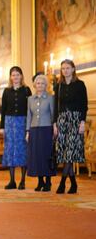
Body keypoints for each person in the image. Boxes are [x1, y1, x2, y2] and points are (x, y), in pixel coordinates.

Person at [54, 59, 88, 194]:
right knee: (64, 152)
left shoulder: (80, 85)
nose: (65, 70)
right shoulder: (58, 86)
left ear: (73, 69)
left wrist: (82, 122)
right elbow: (56, 107)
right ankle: (73, 183)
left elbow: (84, 105)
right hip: (62, 120)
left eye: (68, 68)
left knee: (70, 152)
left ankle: (62, 182)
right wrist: (55, 124)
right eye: (63, 68)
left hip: (75, 120)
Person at [0, 66, 32, 190]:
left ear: (21, 76)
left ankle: (22, 181)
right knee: (10, 150)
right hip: (9, 122)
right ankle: (12, 180)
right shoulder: (6, 91)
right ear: (10, 77)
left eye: (17, 74)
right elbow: (3, 110)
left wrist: (29, 127)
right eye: (13, 75)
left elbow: (30, 110)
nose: (15, 77)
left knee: (22, 150)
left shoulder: (26, 90)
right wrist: (2, 127)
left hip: (22, 122)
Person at [26, 74, 55, 191]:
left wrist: (54, 129)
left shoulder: (50, 98)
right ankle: (40, 181)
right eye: (38, 83)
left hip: (46, 129)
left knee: (46, 155)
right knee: (36, 156)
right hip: (34, 130)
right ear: (34, 85)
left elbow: (53, 115)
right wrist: (27, 131)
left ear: (46, 85)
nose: (40, 85)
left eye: (43, 83)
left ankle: (48, 182)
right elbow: (29, 116)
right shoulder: (30, 99)